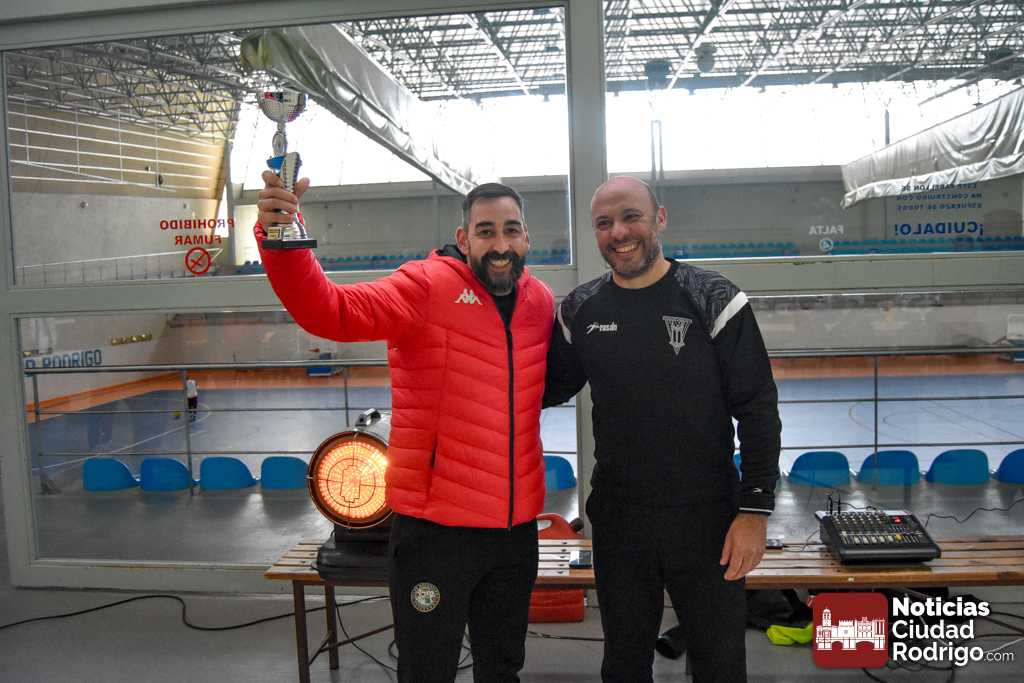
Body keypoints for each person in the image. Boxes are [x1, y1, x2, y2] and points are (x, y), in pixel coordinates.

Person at [256, 170, 553, 682]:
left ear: (526, 236)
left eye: (511, 230)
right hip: (436, 535)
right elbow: (331, 312)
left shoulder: (539, 302)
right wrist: (284, 238)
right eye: (485, 231)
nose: (500, 245)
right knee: (425, 671)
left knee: (503, 668)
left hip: (514, 534)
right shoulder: (424, 286)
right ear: (464, 239)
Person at [544, 175, 781, 683]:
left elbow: (758, 408)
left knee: (719, 665)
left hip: (709, 519)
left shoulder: (713, 297)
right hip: (620, 519)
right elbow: (544, 388)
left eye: (631, 216)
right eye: (604, 223)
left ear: (660, 219)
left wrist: (754, 512)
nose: (619, 232)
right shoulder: (580, 309)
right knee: (624, 664)